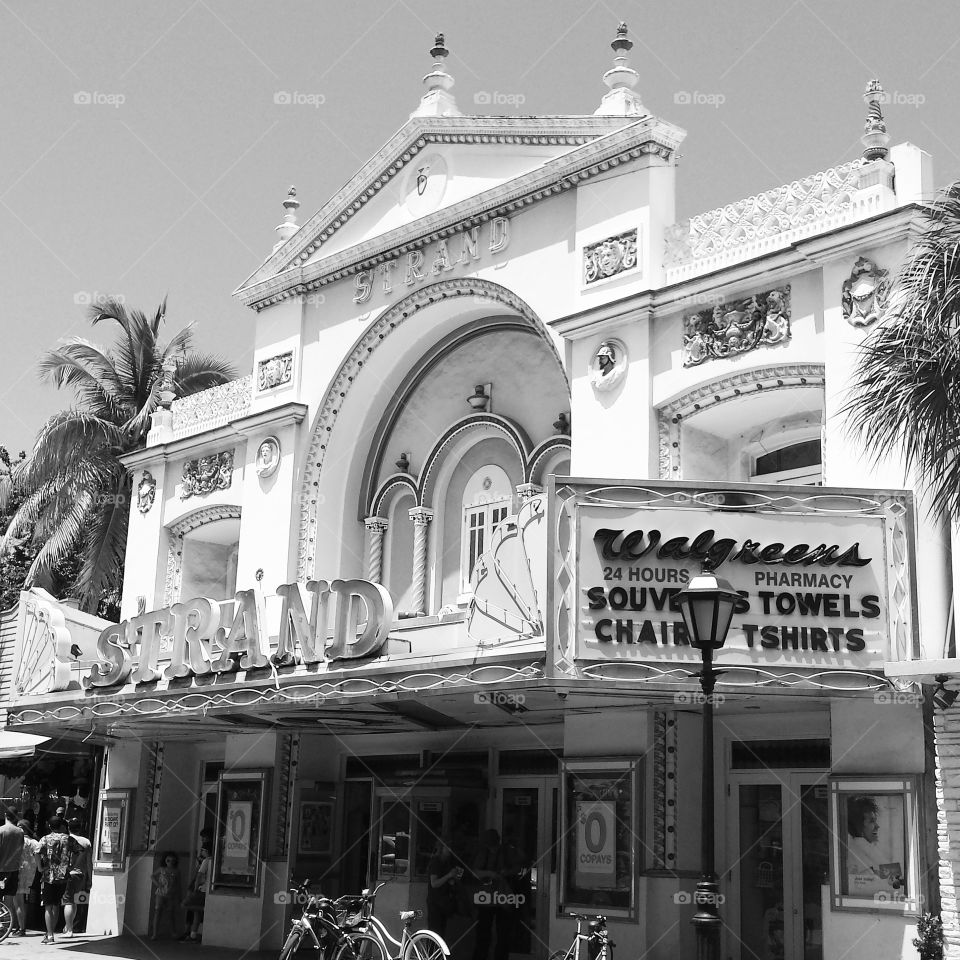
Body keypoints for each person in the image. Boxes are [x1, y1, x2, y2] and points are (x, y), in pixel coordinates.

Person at [471, 829, 518, 960]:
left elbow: (517, 868)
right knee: (484, 932)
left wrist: (505, 873)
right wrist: (491, 874)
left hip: (499, 897)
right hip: (487, 898)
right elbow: (475, 872)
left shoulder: (506, 852)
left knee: (502, 933)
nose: (493, 848)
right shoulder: (483, 853)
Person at [38, 817, 79, 944]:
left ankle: (50, 935)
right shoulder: (69, 839)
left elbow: (36, 852)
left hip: (48, 875)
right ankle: (52, 931)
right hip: (63, 875)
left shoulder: (45, 838)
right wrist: (71, 866)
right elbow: (79, 851)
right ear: (61, 825)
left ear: (50, 826)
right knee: (56, 905)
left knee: (48, 906)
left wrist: (40, 868)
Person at [426, 837, 463, 936]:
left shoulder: (448, 862)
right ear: (441, 848)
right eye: (448, 848)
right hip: (435, 903)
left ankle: (439, 951)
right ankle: (430, 952)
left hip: (444, 902)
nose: (450, 850)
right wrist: (449, 876)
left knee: (441, 932)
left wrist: (453, 879)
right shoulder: (436, 862)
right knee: (434, 932)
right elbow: (434, 883)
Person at [63, 818, 92, 936]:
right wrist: (90, 878)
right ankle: (69, 926)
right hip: (81, 875)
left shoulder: (65, 840)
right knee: (74, 901)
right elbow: (89, 862)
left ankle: (69, 929)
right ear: (80, 828)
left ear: (69, 828)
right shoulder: (86, 842)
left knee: (68, 902)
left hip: (68, 874)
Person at [180, 842, 211, 942]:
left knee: (185, 904)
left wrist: (195, 888)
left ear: (206, 851)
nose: (201, 852)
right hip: (210, 890)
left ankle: (203, 909)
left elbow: (199, 875)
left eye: (202, 850)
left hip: (202, 890)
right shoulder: (217, 860)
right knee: (197, 914)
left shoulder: (206, 861)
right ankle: (193, 935)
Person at [14, 820, 40, 937]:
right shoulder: (34, 842)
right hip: (31, 874)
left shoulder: (17, 841)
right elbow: (40, 856)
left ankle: (21, 928)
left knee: (18, 902)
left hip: (18, 873)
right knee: (23, 901)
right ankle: (20, 926)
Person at [0, 808, 23, 935]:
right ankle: (5, 926)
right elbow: (20, 850)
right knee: (9, 899)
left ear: (5, 815)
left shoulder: (1, 831)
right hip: (13, 869)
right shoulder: (19, 832)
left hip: (1, 869)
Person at [150, 851, 183, 940]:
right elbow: (152, 876)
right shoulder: (162, 869)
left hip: (171, 894)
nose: (170, 862)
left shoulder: (176, 871)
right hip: (160, 893)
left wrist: (180, 896)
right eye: (168, 860)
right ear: (165, 860)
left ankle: (173, 932)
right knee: (158, 912)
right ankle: (155, 934)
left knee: (170, 914)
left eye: (172, 861)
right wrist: (158, 884)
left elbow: (179, 884)